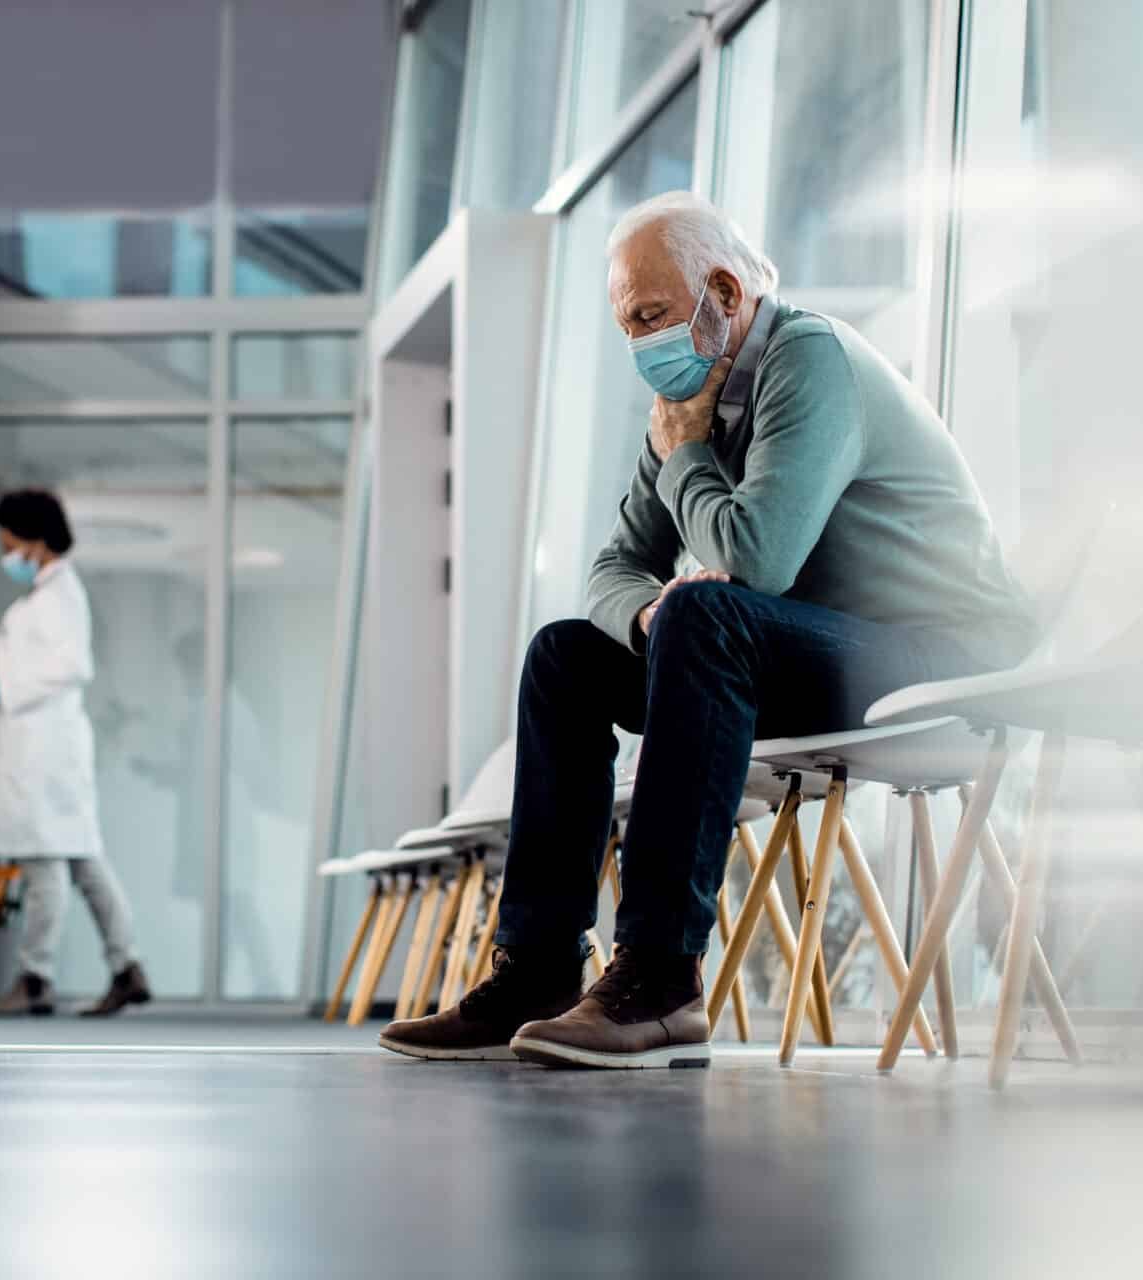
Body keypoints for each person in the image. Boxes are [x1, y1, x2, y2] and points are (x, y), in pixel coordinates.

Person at [380, 192, 1037, 1068]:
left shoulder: (809, 362)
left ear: (724, 294)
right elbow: (611, 571)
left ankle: (660, 978)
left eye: (652, 317)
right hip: (821, 651)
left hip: (945, 658)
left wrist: (686, 462)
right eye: (627, 327)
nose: (640, 347)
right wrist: (648, 610)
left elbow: (756, 562)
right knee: (566, 656)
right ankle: (538, 967)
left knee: (708, 610)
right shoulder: (692, 400)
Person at [0, 489, 152, 1017]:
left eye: (10, 543)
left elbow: (72, 666)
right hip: (43, 743)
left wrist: (3, 687)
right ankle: (126, 966)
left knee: (46, 864)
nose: (6, 553)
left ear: (37, 541)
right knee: (85, 863)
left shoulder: (60, 594)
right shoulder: (45, 594)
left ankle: (36, 977)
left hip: (46, 747)